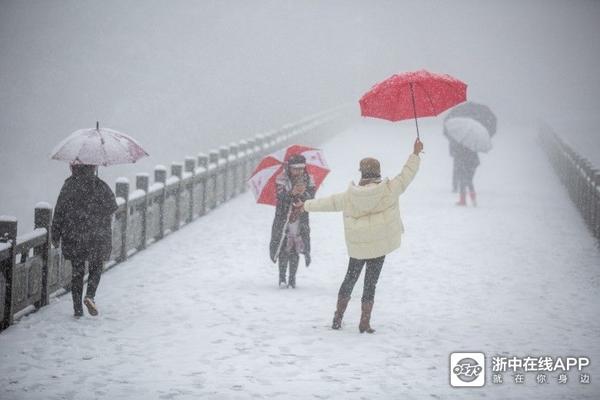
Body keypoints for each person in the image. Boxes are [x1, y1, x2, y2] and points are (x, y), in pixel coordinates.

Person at [298, 139, 423, 333]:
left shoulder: (350, 196)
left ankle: (338, 318)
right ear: (378, 172)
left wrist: (305, 205)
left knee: (349, 279)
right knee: (370, 284)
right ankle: (364, 322)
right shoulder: (390, 189)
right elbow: (407, 174)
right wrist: (415, 154)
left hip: (358, 248)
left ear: (362, 173)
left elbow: (329, 203)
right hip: (379, 246)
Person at [51, 164, 118, 317]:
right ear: (93, 167)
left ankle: (77, 309)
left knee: (77, 272)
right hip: (96, 235)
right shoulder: (100, 185)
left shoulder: (69, 186)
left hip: (74, 235)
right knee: (96, 266)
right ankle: (90, 296)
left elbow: (59, 210)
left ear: (73, 167)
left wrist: (55, 234)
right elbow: (112, 207)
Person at [269, 154, 316, 288]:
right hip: (283, 219)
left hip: (300, 219)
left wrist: (303, 194)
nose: (299, 171)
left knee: (295, 249)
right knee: (283, 247)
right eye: (295, 169)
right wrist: (292, 193)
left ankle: (292, 278)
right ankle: (282, 277)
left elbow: (311, 197)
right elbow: (280, 197)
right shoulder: (282, 180)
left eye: (301, 168)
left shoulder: (308, 180)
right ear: (289, 168)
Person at [452, 140, 479, 206]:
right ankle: (473, 199)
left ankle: (463, 200)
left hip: (466, 165)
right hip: (471, 165)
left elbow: (459, 155)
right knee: (469, 182)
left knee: (463, 182)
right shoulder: (473, 145)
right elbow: (476, 159)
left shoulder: (463, 145)